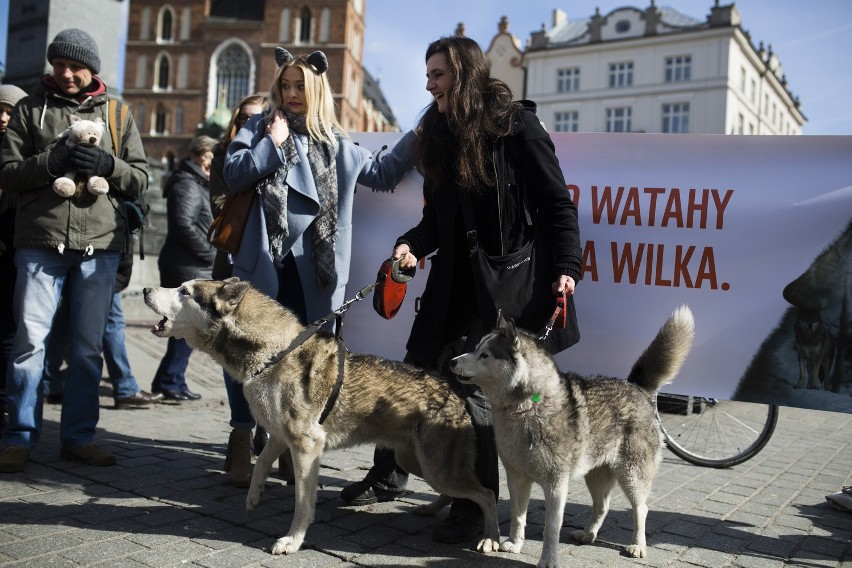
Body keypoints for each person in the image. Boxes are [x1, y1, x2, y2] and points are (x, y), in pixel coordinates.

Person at [339, 36, 582, 544]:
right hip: (452, 281)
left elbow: (557, 204)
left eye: (438, 75)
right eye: (427, 76)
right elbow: (436, 219)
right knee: (412, 375)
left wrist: (567, 267)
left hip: (504, 287)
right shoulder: (439, 134)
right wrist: (410, 245)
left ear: (465, 73)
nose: (429, 85)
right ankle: (389, 475)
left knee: (480, 395)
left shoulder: (515, 125)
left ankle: (475, 507)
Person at [222, 49, 414, 487]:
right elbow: (232, 174)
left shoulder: (337, 143)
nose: (291, 94)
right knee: (244, 351)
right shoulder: (259, 127)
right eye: (284, 86)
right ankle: (239, 437)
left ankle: (291, 445)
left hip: (314, 273)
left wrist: (422, 133)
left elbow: (384, 174)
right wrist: (270, 142)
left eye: (299, 87)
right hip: (264, 262)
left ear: (316, 91)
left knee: (302, 361)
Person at [0, 28, 149, 472]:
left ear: (92, 69)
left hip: (100, 246)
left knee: (86, 349)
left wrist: (108, 165)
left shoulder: (118, 114)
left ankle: (79, 437)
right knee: (29, 344)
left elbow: (140, 178)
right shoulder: (29, 109)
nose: (66, 73)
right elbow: (7, 172)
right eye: (59, 65)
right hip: (39, 243)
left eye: (75, 66)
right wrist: (52, 163)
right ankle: (18, 437)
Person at [208, 92, 268, 486]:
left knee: (272, 355)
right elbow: (219, 200)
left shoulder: (284, 146)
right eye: (244, 119)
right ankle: (241, 436)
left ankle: (272, 437)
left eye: (257, 120)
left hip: (275, 264)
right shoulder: (226, 153)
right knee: (234, 353)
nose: (250, 125)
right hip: (233, 261)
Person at [150, 135, 218, 402]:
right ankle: (169, 380)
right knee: (185, 325)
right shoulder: (187, 184)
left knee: (185, 326)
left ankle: (170, 379)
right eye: (210, 158)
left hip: (191, 262)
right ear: (196, 156)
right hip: (186, 264)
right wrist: (209, 252)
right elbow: (184, 225)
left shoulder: (195, 181)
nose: (213, 165)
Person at [0, 83, 28, 433]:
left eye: (11, 112)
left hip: (13, 251)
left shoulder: (24, 154)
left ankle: (6, 401)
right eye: (0, 111)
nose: (4, 118)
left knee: (9, 330)